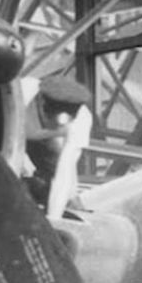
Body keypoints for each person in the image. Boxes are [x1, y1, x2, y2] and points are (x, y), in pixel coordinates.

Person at [24, 75, 94, 222]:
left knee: (62, 188)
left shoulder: (81, 120)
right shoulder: (22, 94)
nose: (58, 127)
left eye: (63, 124)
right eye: (52, 122)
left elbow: (63, 175)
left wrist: (54, 220)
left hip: (40, 140)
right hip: (3, 124)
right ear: (40, 102)